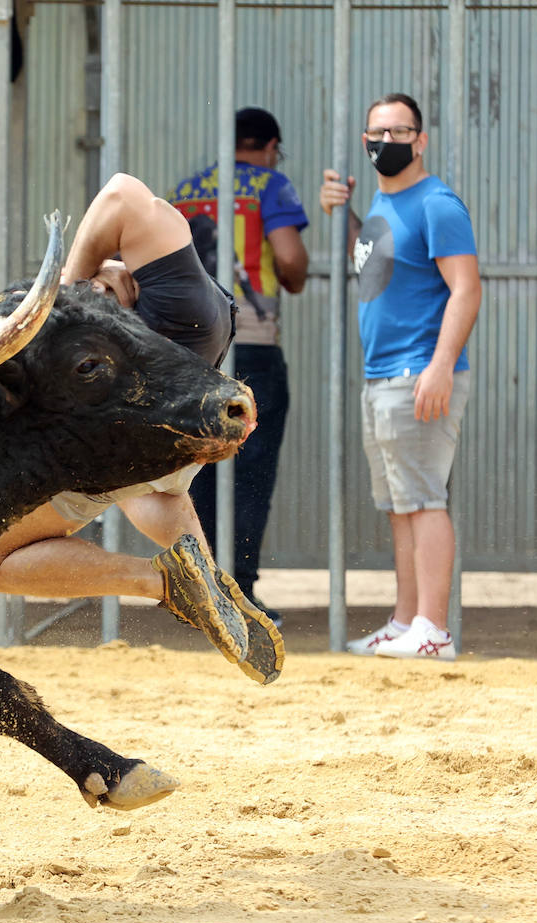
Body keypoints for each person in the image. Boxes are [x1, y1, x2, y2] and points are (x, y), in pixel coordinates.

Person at [0, 173, 285, 685]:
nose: (105, 277)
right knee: (152, 485)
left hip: (139, 424)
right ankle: (208, 583)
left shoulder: (179, 309)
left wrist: (69, 291)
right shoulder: (177, 303)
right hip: (153, 440)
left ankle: (163, 581)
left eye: (110, 282)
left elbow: (120, 191)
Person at [319, 92, 481, 661]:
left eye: (397, 132)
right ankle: (406, 621)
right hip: (383, 376)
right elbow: (379, 261)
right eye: (376, 133)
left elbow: (466, 287)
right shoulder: (387, 206)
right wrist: (344, 216)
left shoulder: (437, 204)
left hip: (417, 374)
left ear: (421, 139)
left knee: (424, 499)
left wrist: (439, 366)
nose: (385, 143)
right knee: (401, 505)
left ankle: (432, 628)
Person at [171, 107, 310, 626]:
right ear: (270, 146)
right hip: (252, 346)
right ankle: (241, 591)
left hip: (192, 358)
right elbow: (291, 261)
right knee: (251, 471)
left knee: (194, 474)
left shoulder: (186, 190)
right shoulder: (271, 185)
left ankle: (199, 590)